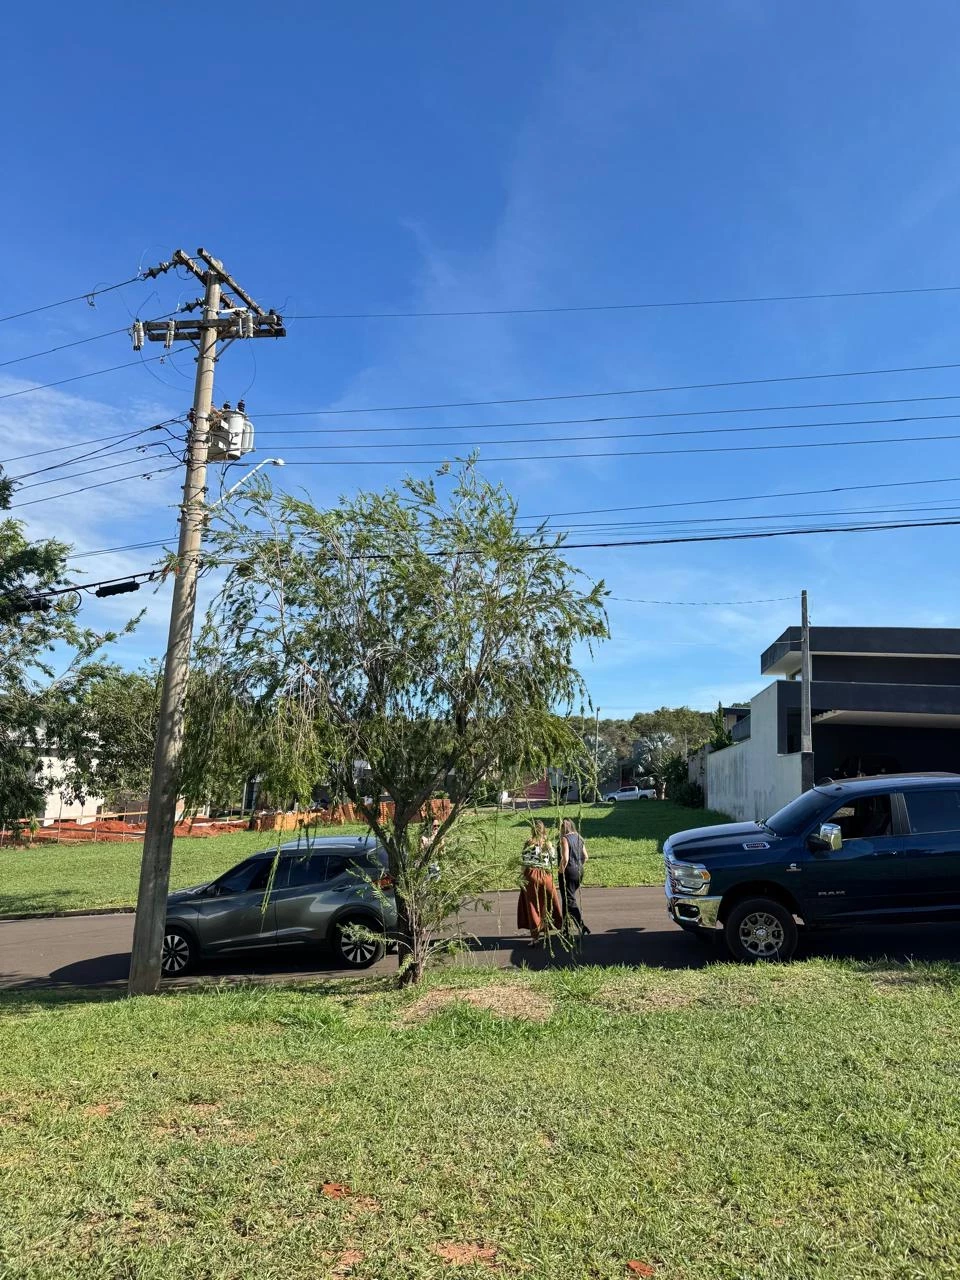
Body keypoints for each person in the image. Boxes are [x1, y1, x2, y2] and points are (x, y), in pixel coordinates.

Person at [517, 819, 562, 944]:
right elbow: (553, 862)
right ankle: (547, 932)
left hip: (531, 875)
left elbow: (524, 863)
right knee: (547, 904)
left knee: (533, 906)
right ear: (544, 830)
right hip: (545, 875)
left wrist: (521, 877)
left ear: (532, 830)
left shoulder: (528, 843)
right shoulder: (548, 844)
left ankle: (535, 937)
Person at [558, 817, 590, 935]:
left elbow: (565, 858)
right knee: (567, 899)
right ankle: (565, 928)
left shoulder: (565, 839)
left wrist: (560, 870)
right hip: (579, 871)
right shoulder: (578, 837)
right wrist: (578, 865)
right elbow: (585, 856)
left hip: (568, 872)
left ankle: (582, 926)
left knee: (569, 899)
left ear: (563, 828)